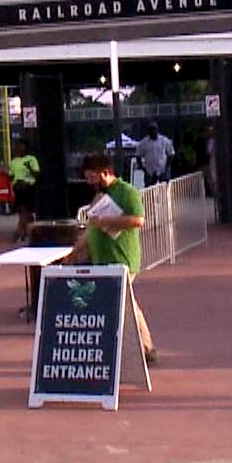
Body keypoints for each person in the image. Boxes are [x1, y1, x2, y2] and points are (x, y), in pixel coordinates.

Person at [73, 152, 153, 363]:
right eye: (87, 178)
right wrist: (74, 251)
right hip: (102, 259)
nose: (90, 182)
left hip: (122, 258)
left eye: (92, 177)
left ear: (105, 173)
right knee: (126, 303)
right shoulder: (99, 196)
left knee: (120, 303)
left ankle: (139, 347)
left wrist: (108, 221)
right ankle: (145, 346)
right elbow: (92, 229)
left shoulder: (127, 192)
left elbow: (138, 220)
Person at [8, 147, 41, 243]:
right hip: (18, 188)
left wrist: (29, 167)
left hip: (28, 187)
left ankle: (20, 232)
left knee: (27, 212)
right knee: (22, 210)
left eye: (22, 147)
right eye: (18, 147)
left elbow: (37, 174)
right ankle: (26, 232)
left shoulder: (31, 159)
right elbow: (11, 176)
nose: (19, 149)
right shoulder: (14, 161)